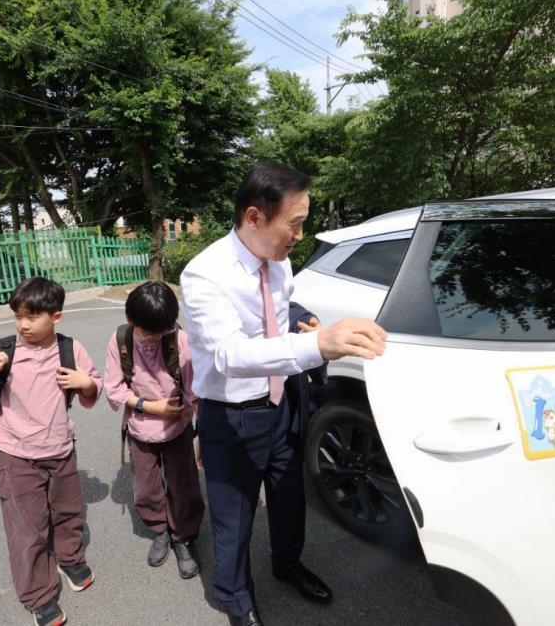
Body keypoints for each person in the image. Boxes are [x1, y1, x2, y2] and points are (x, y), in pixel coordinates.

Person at [180, 163, 388, 626]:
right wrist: (317, 344)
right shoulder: (204, 274)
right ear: (254, 217)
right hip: (232, 415)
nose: (300, 235)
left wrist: (303, 318)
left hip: (283, 402)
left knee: (288, 496)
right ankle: (235, 598)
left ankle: (287, 563)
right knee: (234, 518)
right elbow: (230, 353)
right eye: (294, 223)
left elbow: (278, 307)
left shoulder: (278, 260)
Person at [0, 277, 103, 626]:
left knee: (69, 511)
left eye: (32, 316)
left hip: (60, 449)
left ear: (56, 317)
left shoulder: (71, 349)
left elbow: (93, 384)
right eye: (18, 316)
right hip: (14, 455)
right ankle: (38, 594)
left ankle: (70, 558)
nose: (23, 324)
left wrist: (85, 383)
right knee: (27, 528)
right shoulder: (5, 348)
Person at [103, 280, 204, 579]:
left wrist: (190, 417)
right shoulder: (121, 339)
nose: (153, 338)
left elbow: (195, 388)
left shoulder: (179, 340)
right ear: (130, 320)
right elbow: (114, 388)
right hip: (139, 428)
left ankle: (183, 536)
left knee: (183, 484)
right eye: (147, 332)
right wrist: (151, 407)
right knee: (146, 486)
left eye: (161, 330)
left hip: (178, 428)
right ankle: (160, 528)